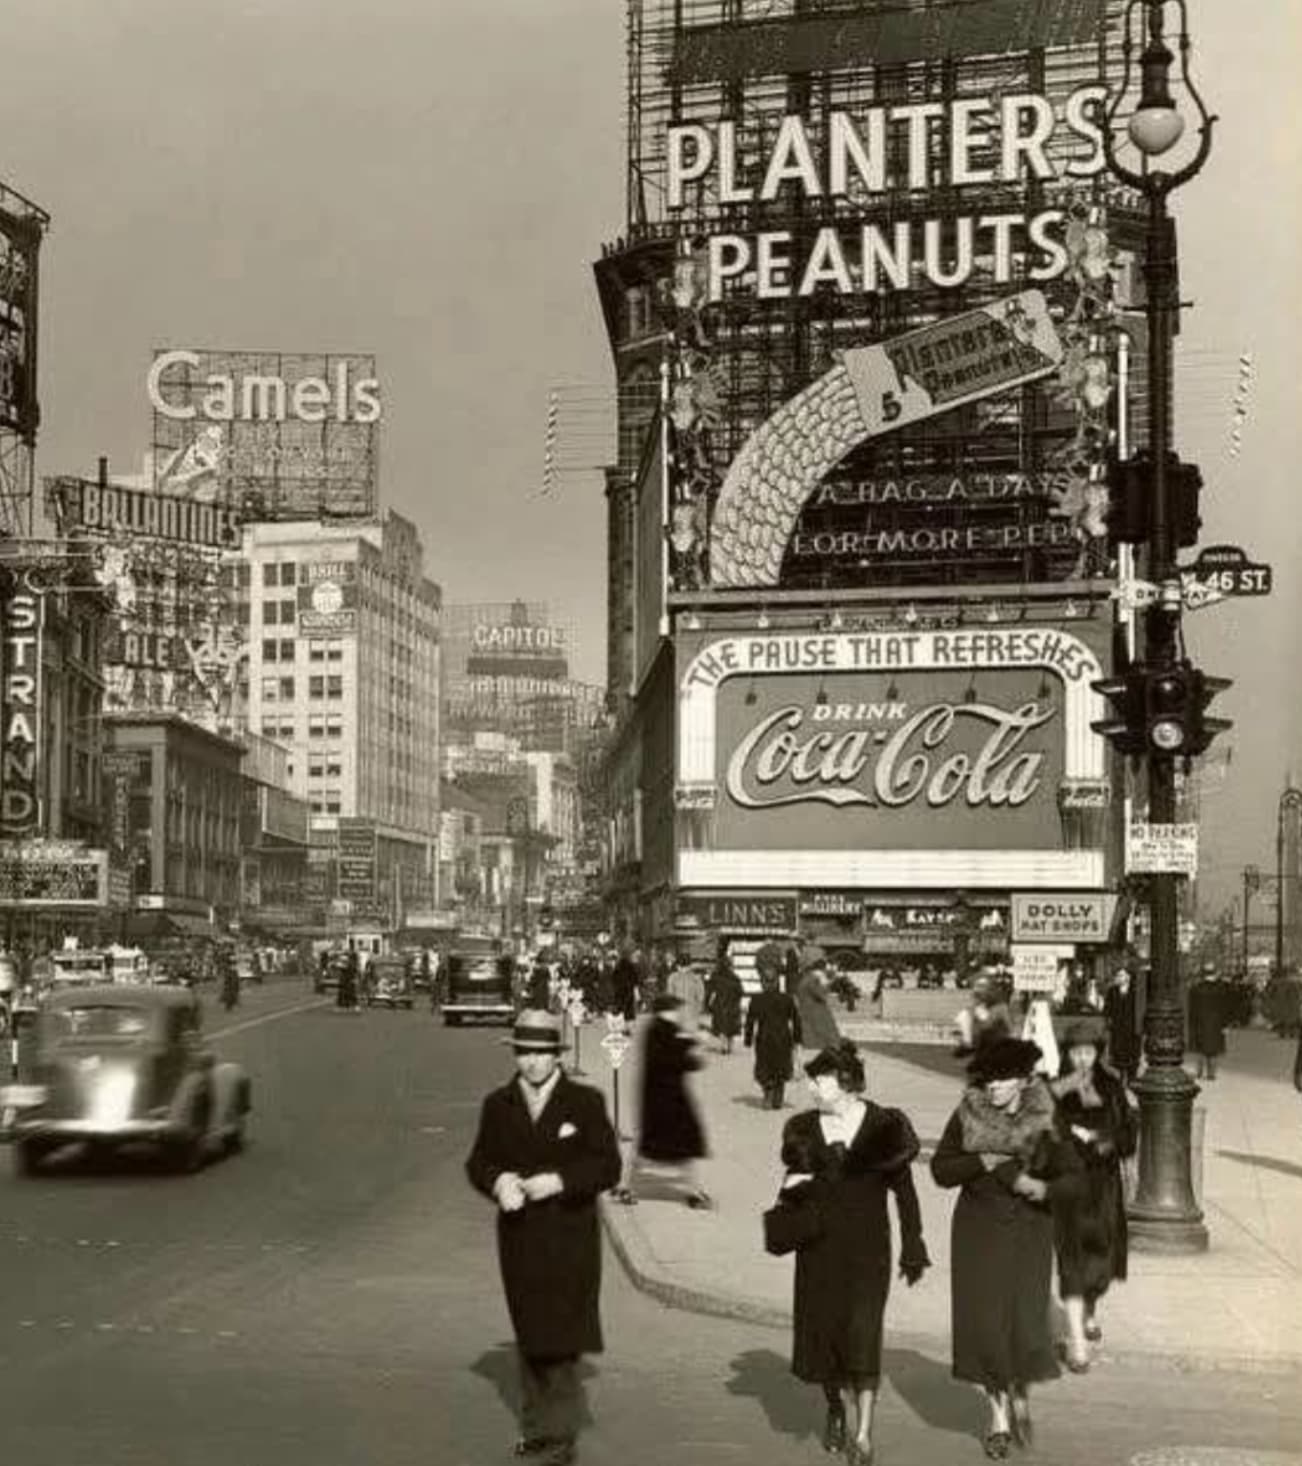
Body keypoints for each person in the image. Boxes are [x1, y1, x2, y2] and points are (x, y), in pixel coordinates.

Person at [465, 1010, 621, 1466]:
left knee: (562, 1332)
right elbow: (479, 1162)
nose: (532, 1063)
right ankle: (539, 1428)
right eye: (524, 1053)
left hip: (570, 1233)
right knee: (531, 1331)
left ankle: (560, 1434)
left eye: (541, 1053)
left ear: (557, 1054)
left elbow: (607, 1166)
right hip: (519, 1235)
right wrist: (498, 1183)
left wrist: (560, 1180)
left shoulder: (585, 1102)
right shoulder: (498, 1104)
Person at [777, 1040, 930, 1465]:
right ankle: (834, 1407)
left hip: (868, 1253)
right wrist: (788, 1200)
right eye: (812, 1079)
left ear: (845, 1082)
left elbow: (905, 1192)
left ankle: (863, 1434)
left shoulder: (884, 1127)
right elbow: (792, 1188)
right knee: (826, 1338)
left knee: (863, 1336)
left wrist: (913, 1243)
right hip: (819, 1252)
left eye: (819, 1079)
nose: (811, 1087)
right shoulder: (804, 1130)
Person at [930, 1036, 1083, 1460]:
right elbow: (941, 1171)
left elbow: (1074, 1178)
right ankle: (997, 1415)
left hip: (1031, 1233)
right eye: (988, 1080)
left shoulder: (1047, 1119)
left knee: (1022, 1321)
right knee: (986, 1323)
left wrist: (1044, 1186)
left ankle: (1018, 1391)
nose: (993, 1087)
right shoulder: (968, 1114)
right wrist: (983, 1160)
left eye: (1002, 1080)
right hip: (979, 1232)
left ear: (1023, 1080)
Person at [1049, 1022, 1137, 1370]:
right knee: (1071, 1261)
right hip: (1069, 1186)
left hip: (1103, 1188)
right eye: (1076, 1052)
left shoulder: (1112, 1086)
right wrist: (1069, 1140)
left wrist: (1104, 1140)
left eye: (1088, 1052)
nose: (1083, 1059)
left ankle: (1089, 1307)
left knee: (1100, 1260)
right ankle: (1076, 1342)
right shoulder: (1056, 1088)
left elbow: (1129, 1133)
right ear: (1067, 1054)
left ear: (1098, 1052)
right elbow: (1044, 1133)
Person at [619, 993, 710, 1208]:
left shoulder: (658, 1028)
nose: (680, 1014)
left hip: (663, 1099)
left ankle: (627, 1186)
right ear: (668, 1011)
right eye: (678, 1010)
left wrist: (693, 1042)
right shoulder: (662, 1030)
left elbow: (678, 1043)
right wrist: (696, 1052)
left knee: (658, 1147)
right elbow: (674, 1058)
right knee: (677, 1146)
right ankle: (692, 1192)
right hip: (665, 1101)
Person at [745, 959, 802, 1109]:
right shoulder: (787, 999)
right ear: (777, 982)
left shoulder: (756, 1000)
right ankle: (778, 1098)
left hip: (764, 1038)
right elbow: (796, 1019)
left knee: (764, 1068)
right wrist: (797, 1038)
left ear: (762, 982)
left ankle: (768, 1093)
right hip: (783, 1038)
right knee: (781, 1068)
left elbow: (750, 1021)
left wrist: (748, 1039)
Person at [795, 947, 841, 1054]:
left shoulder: (805, 978)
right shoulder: (813, 979)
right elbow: (822, 995)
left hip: (806, 1010)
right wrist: (828, 982)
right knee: (825, 1032)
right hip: (814, 1012)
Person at [1102, 965, 1142, 1086]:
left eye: (1122, 975)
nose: (1119, 978)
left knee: (1132, 1054)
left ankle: (1131, 1078)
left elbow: (1139, 1009)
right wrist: (1108, 1020)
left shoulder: (1136, 992)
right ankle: (1120, 1078)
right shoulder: (1112, 991)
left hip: (1132, 1028)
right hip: (1117, 1028)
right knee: (1118, 1055)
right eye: (1118, 975)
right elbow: (1107, 1008)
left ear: (1128, 977)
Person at [1188, 965, 1228, 1080]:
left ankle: (1199, 1071)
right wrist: (1225, 1024)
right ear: (1214, 974)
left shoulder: (1196, 988)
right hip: (1216, 1021)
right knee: (1213, 1049)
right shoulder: (1221, 989)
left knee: (1200, 1048)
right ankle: (1211, 1073)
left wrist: (1192, 1022)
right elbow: (1224, 1009)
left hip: (1200, 1020)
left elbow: (1192, 1007)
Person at [706, 940, 744, 1055]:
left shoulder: (716, 976)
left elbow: (710, 990)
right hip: (732, 1005)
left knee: (722, 1027)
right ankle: (730, 1046)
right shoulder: (735, 978)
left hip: (720, 1004)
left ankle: (723, 1046)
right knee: (731, 1029)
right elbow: (741, 992)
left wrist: (708, 1002)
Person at [666, 952, 707, 1035]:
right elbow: (701, 996)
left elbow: (669, 996)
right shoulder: (695, 979)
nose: (682, 969)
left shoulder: (674, 978)